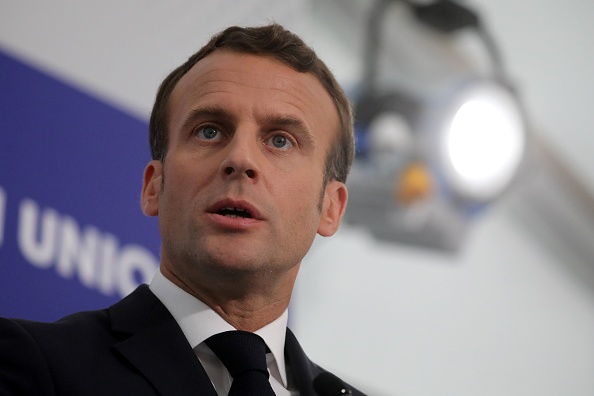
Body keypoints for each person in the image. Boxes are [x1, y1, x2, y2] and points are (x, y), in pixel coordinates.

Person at [0, 24, 365, 395]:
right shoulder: (33, 363)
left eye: (280, 140)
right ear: (153, 186)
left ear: (331, 208)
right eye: (210, 131)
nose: (240, 158)